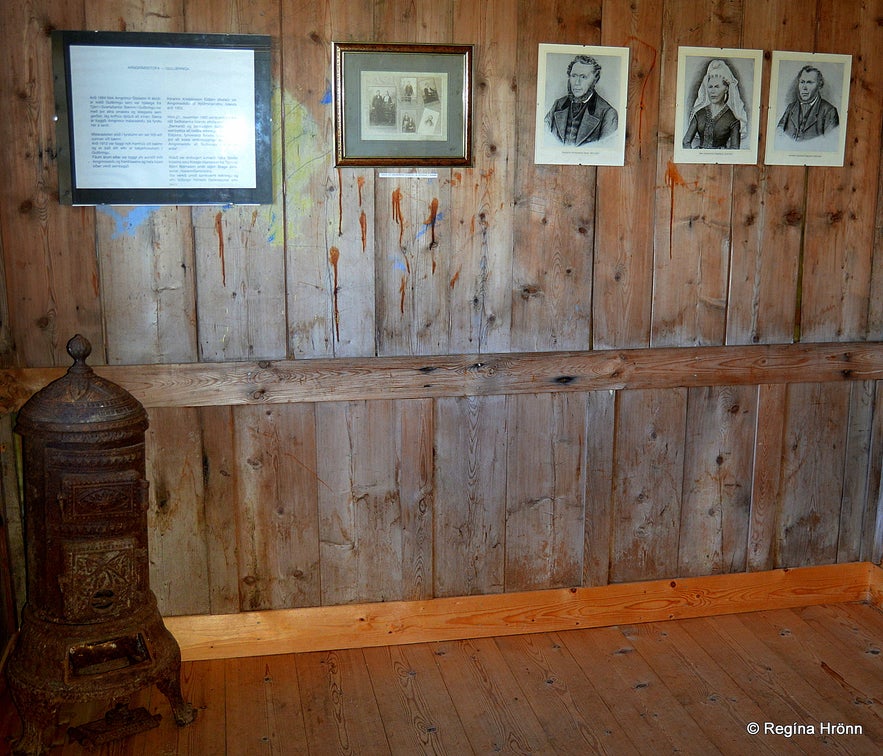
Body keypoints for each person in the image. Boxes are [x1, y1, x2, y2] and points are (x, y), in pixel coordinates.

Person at [545, 55, 618, 146]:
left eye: (583, 77)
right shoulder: (558, 105)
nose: (577, 83)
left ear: (595, 80)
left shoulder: (608, 114)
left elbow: (606, 151)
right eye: (574, 76)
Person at [682, 59, 747, 150]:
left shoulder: (732, 119)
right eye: (710, 87)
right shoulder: (699, 114)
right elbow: (686, 142)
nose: (712, 91)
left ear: (726, 89)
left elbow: (735, 149)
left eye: (717, 87)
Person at [776, 65, 839, 141]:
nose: (804, 87)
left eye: (809, 82)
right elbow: (778, 135)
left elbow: (830, 143)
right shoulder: (791, 107)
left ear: (819, 85)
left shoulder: (829, 111)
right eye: (802, 82)